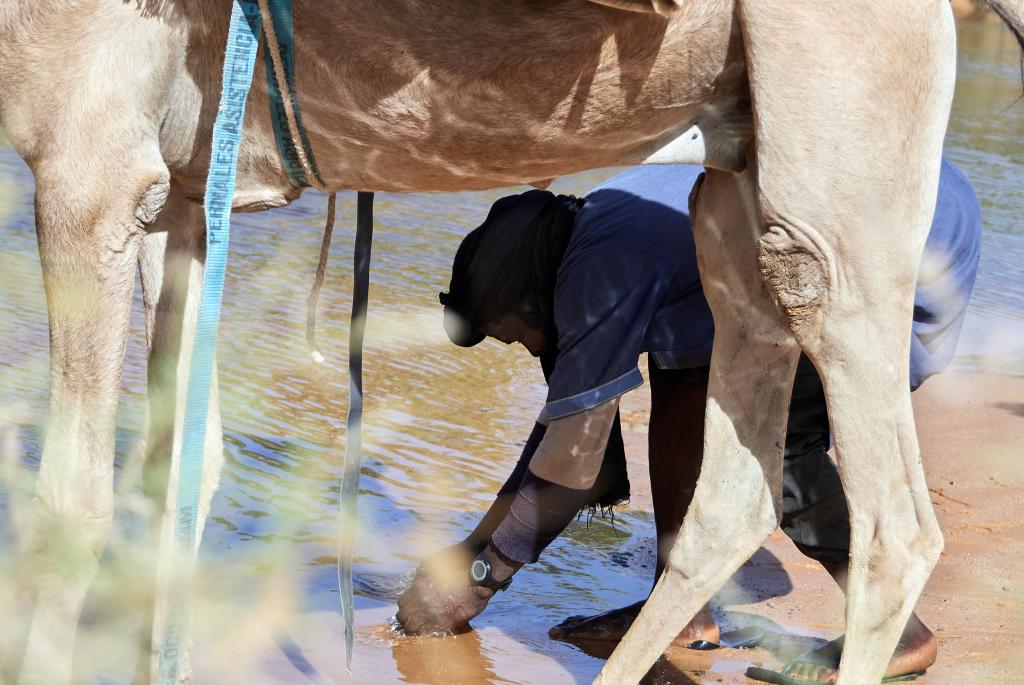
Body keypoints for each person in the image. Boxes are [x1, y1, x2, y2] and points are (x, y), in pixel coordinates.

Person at [396, 161, 981, 684]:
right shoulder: (592, 227)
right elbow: (565, 432)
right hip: (886, 202)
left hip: (892, 252)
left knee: (774, 447)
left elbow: (573, 461)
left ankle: (896, 631)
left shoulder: (599, 274)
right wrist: (472, 547)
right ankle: (679, 609)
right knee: (682, 379)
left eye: (515, 336)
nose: (526, 350)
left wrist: (480, 575)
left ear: (531, 303)